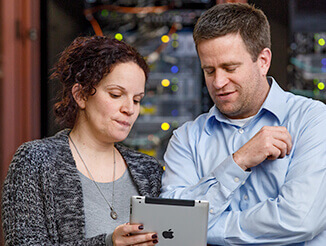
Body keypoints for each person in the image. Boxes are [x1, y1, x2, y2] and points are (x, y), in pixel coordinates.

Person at [160, 3, 326, 245]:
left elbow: (301, 221)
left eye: (230, 68)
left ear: (263, 61)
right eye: (209, 70)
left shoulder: (312, 120)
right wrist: (239, 161)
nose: (218, 82)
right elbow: (169, 223)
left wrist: (200, 229)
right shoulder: (186, 138)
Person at [2, 36, 163, 245]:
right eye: (116, 95)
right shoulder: (35, 160)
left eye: (137, 100)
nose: (129, 109)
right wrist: (107, 243)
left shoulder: (149, 170)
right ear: (81, 95)